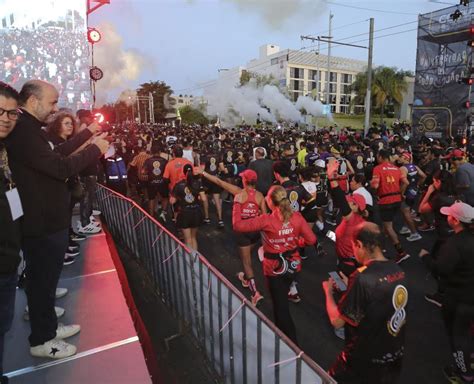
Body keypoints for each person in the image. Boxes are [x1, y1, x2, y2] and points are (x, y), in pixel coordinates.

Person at [5, 80, 109, 359]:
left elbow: (54, 154)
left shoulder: (29, 130)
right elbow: (59, 166)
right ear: (33, 101)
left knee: (46, 281)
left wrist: (87, 133)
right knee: (41, 282)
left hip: (46, 217)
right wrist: (95, 148)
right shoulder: (24, 131)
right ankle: (43, 339)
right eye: (51, 103)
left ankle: (47, 324)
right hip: (42, 221)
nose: (54, 110)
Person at [322, 222, 408, 384]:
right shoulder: (398, 270)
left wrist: (328, 292)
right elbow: (378, 297)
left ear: (359, 245)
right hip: (393, 355)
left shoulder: (362, 277)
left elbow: (337, 321)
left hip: (363, 359)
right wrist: (351, 288)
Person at [232, 185, 316, 344]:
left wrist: (237, 204)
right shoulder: (297, 217)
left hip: (274, 270)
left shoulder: (267, 220)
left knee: (281, 307)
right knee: (281, 301)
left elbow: (238, 226)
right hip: (293, 266)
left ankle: (293, 346)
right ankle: (282, 335)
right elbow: (311, 240)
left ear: (270, 201)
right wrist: (294, 240)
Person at [419, 202, 474, 384]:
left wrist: (426, 256)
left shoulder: (455, 243)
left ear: (456, 220)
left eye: (450, 215)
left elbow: (441, 269)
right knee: (466, 332)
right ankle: (469, 359)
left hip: (458, 298)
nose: (447, 217)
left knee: (458, 336)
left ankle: (463, 373)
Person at [200, 167, 267, 305]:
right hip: (255, 233)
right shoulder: (260, 196)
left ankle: (255, 293)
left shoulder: (239, 192)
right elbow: (265, 217)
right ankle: (248, 279)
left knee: (246, 262)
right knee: (248, 255)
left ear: (245, 180)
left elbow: (219, 182)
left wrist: (203, 173)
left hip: (243, 233)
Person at [0, 81, 21, 384]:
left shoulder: (5, 153)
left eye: (11, 113)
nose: (5, 118)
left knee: (3, 326)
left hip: (7, 262)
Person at [327, 158, 368, 277]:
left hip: (348, 264)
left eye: (351, 202)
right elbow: (343, 236)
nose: (347, 201)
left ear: (356, 207)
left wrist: (332, 178)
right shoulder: (358, 219)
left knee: (345, 288)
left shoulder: (352, 219)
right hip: (353, 260)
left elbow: (340, 198)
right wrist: (327, 233)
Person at [370, 149, 409, 263]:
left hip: (385, 201)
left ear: (381, 157)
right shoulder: (397, 169)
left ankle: (401, 252)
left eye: (377, 157)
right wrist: (401, 193)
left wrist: (374, 192)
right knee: (386, 224)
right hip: (397, 200)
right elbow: (406, 182)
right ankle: (381, 247)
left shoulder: (377, 168)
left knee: (388, 227)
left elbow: (375, 185)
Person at [171, 164, 204, 250]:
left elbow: (172, 201)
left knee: (187, 239)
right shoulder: (197, 183)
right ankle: (195, 259)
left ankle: (189, 260)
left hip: (185, 213)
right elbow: (203, 198)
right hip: (196, 212)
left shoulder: (179, 184)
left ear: (184, 172)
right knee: (193, 238)